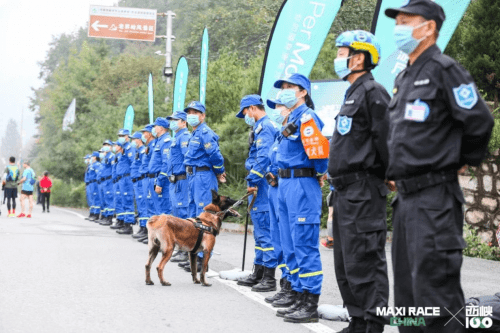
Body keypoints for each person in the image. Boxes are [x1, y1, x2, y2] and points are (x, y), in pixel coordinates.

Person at [384, 1, 494, 331]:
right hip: (405, 201)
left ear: (429, 27)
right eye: (397, 21)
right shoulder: (404, 77)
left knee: (436, 299)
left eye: (406, 21)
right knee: (406, 300)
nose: (398, 27)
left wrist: (461, 161)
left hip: (435, 200)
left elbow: (479, 121)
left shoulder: (445, 70)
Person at [328, 30, 390, 333]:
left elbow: (386, 139)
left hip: (364, 190)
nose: (337, 58)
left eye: (342, 52)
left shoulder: (373, 92)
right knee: (346, 263)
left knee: (366, 261)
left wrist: (392, 175)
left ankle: (372, 325)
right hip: (344, 193)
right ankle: (358, 319)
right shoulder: (351, 93)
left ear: (359, 57)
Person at [273, 73, 328, 323]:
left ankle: (310, 301)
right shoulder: (290, 119)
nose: (284, 91)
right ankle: (297, 292)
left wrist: (319, 173)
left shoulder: (306, 117)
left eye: (290, 87)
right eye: (283, 87)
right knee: (290, 242)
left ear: (303, 92)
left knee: (304, 243)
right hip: (285, 184)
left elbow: (319, 152)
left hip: (301, 184)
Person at [235, 95, 279, 293]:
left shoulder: (265, 127)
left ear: (252, 108)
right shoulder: (259, 127)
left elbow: (264, 156)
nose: (245, 116)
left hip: (262, 184)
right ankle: (259, 272)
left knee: (265, 231)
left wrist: (252, 179)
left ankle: (269, 277)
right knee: (260, 232)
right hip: (258, 184)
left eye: (245, 112)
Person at [183, 101, 226, 217]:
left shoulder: (205, 132)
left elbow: (215, 155)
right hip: (193, 176)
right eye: (189, 113)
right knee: (192, 212)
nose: (191, 115)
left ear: (203, 116)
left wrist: (219, 172)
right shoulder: (194, 133)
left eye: (195, 112)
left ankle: (204, 235)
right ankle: (194, 236)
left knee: (203, 213)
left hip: (203, 177)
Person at [165, 111, 192, 262]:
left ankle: (185, 249)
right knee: (177, 214)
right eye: (171, 120)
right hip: (175, 181)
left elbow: (187, 158)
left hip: (183, 180)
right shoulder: (177, 138)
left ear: (183, 122)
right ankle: (181, 248)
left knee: (183, 215)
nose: (172, 122)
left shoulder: (184, 137)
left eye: (176, 120)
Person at [114, 129, 136, 234]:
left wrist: (132, 177)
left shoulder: (130, 147)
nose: (120, 137)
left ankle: (128, 225)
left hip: (127, 178)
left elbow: (133, 163)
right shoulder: (124, 148)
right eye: (119, 135)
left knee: (128, 200)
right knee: (124, 201)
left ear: (127, 136)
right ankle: (125, 223)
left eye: (122, 135)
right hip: (122, 178)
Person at [136, 124, 155, 244]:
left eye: (145, 132)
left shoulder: (154, 145)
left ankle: (153, 236)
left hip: (150, 177)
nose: (143, 135)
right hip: (145, 178)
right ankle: (149, 233)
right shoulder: (149, 146)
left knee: (152, 206)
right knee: (147, 206)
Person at [152, 117, 173, 216]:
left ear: (161, 128)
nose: (154, 129)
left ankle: (165, 232)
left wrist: (160, 182)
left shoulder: (166, 141)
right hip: (156, 178)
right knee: (158, 210)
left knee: (164, 211)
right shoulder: (159, 141)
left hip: (162, 180)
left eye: (155, 126)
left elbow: (166, 163)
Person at [129, 131, 148, 238]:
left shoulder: (142, 151)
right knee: (140, 205)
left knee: (143, 204)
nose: (132, 141)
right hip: (137, 181)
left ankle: (145, 229)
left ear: (139, 139)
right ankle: (142, 227)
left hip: (141, 180)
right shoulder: (138, 151)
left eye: (133, 139)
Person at [98, 140, 115, 226]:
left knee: (109, 199)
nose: (106, 146)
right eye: (104, 145)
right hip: (104, 181)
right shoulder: (104, 158)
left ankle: (109, 218)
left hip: (109, 180)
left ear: (111, 147)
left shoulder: (112, 156)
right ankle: (105, 216)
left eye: (108, 145)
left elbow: (113, 168)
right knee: (104, 199)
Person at [88, 152, 102, 221]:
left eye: (92, 156)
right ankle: (92, 213)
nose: (91, 158)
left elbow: (98, 174)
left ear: (95, 157)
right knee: (93, 198)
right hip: (91, 183)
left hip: (95, 183)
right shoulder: (92, 165)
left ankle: (96, 214)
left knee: (96, 198)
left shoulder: (97, 164)